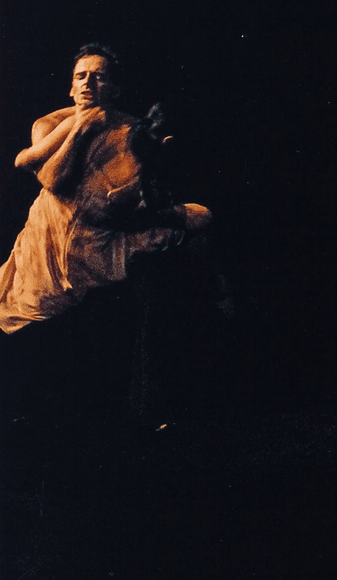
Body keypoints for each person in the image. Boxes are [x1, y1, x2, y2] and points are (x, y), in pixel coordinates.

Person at [0, 45, 215, 423]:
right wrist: (81, 127)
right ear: (70, 87)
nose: (88, 83)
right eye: (81, 76)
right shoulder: (49, 125)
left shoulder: (132, 133)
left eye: (99, 76)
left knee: (199, 220)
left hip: (98, 244)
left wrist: (146, 203)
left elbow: (135, 199)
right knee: (27, 325)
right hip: (45, 240)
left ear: (114, 87)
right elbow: (52, 179)